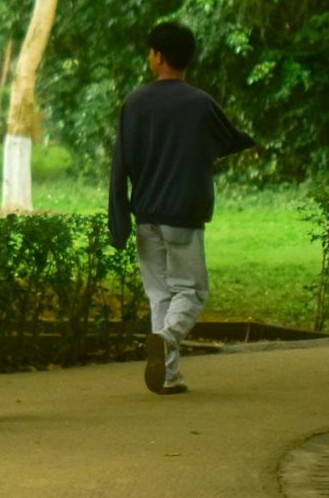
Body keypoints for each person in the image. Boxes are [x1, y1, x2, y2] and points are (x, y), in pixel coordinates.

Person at [108, 21, 255, 396]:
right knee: (193, 291)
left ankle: (169, 375)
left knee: (161, 295)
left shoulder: (135, 102)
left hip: (146, 216)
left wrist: (119, 217)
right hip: (184, 215)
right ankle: (168, 338)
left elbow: (119, 164)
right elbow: (228, 139)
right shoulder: (200, 104)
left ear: (158, 57)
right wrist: (245, 140)